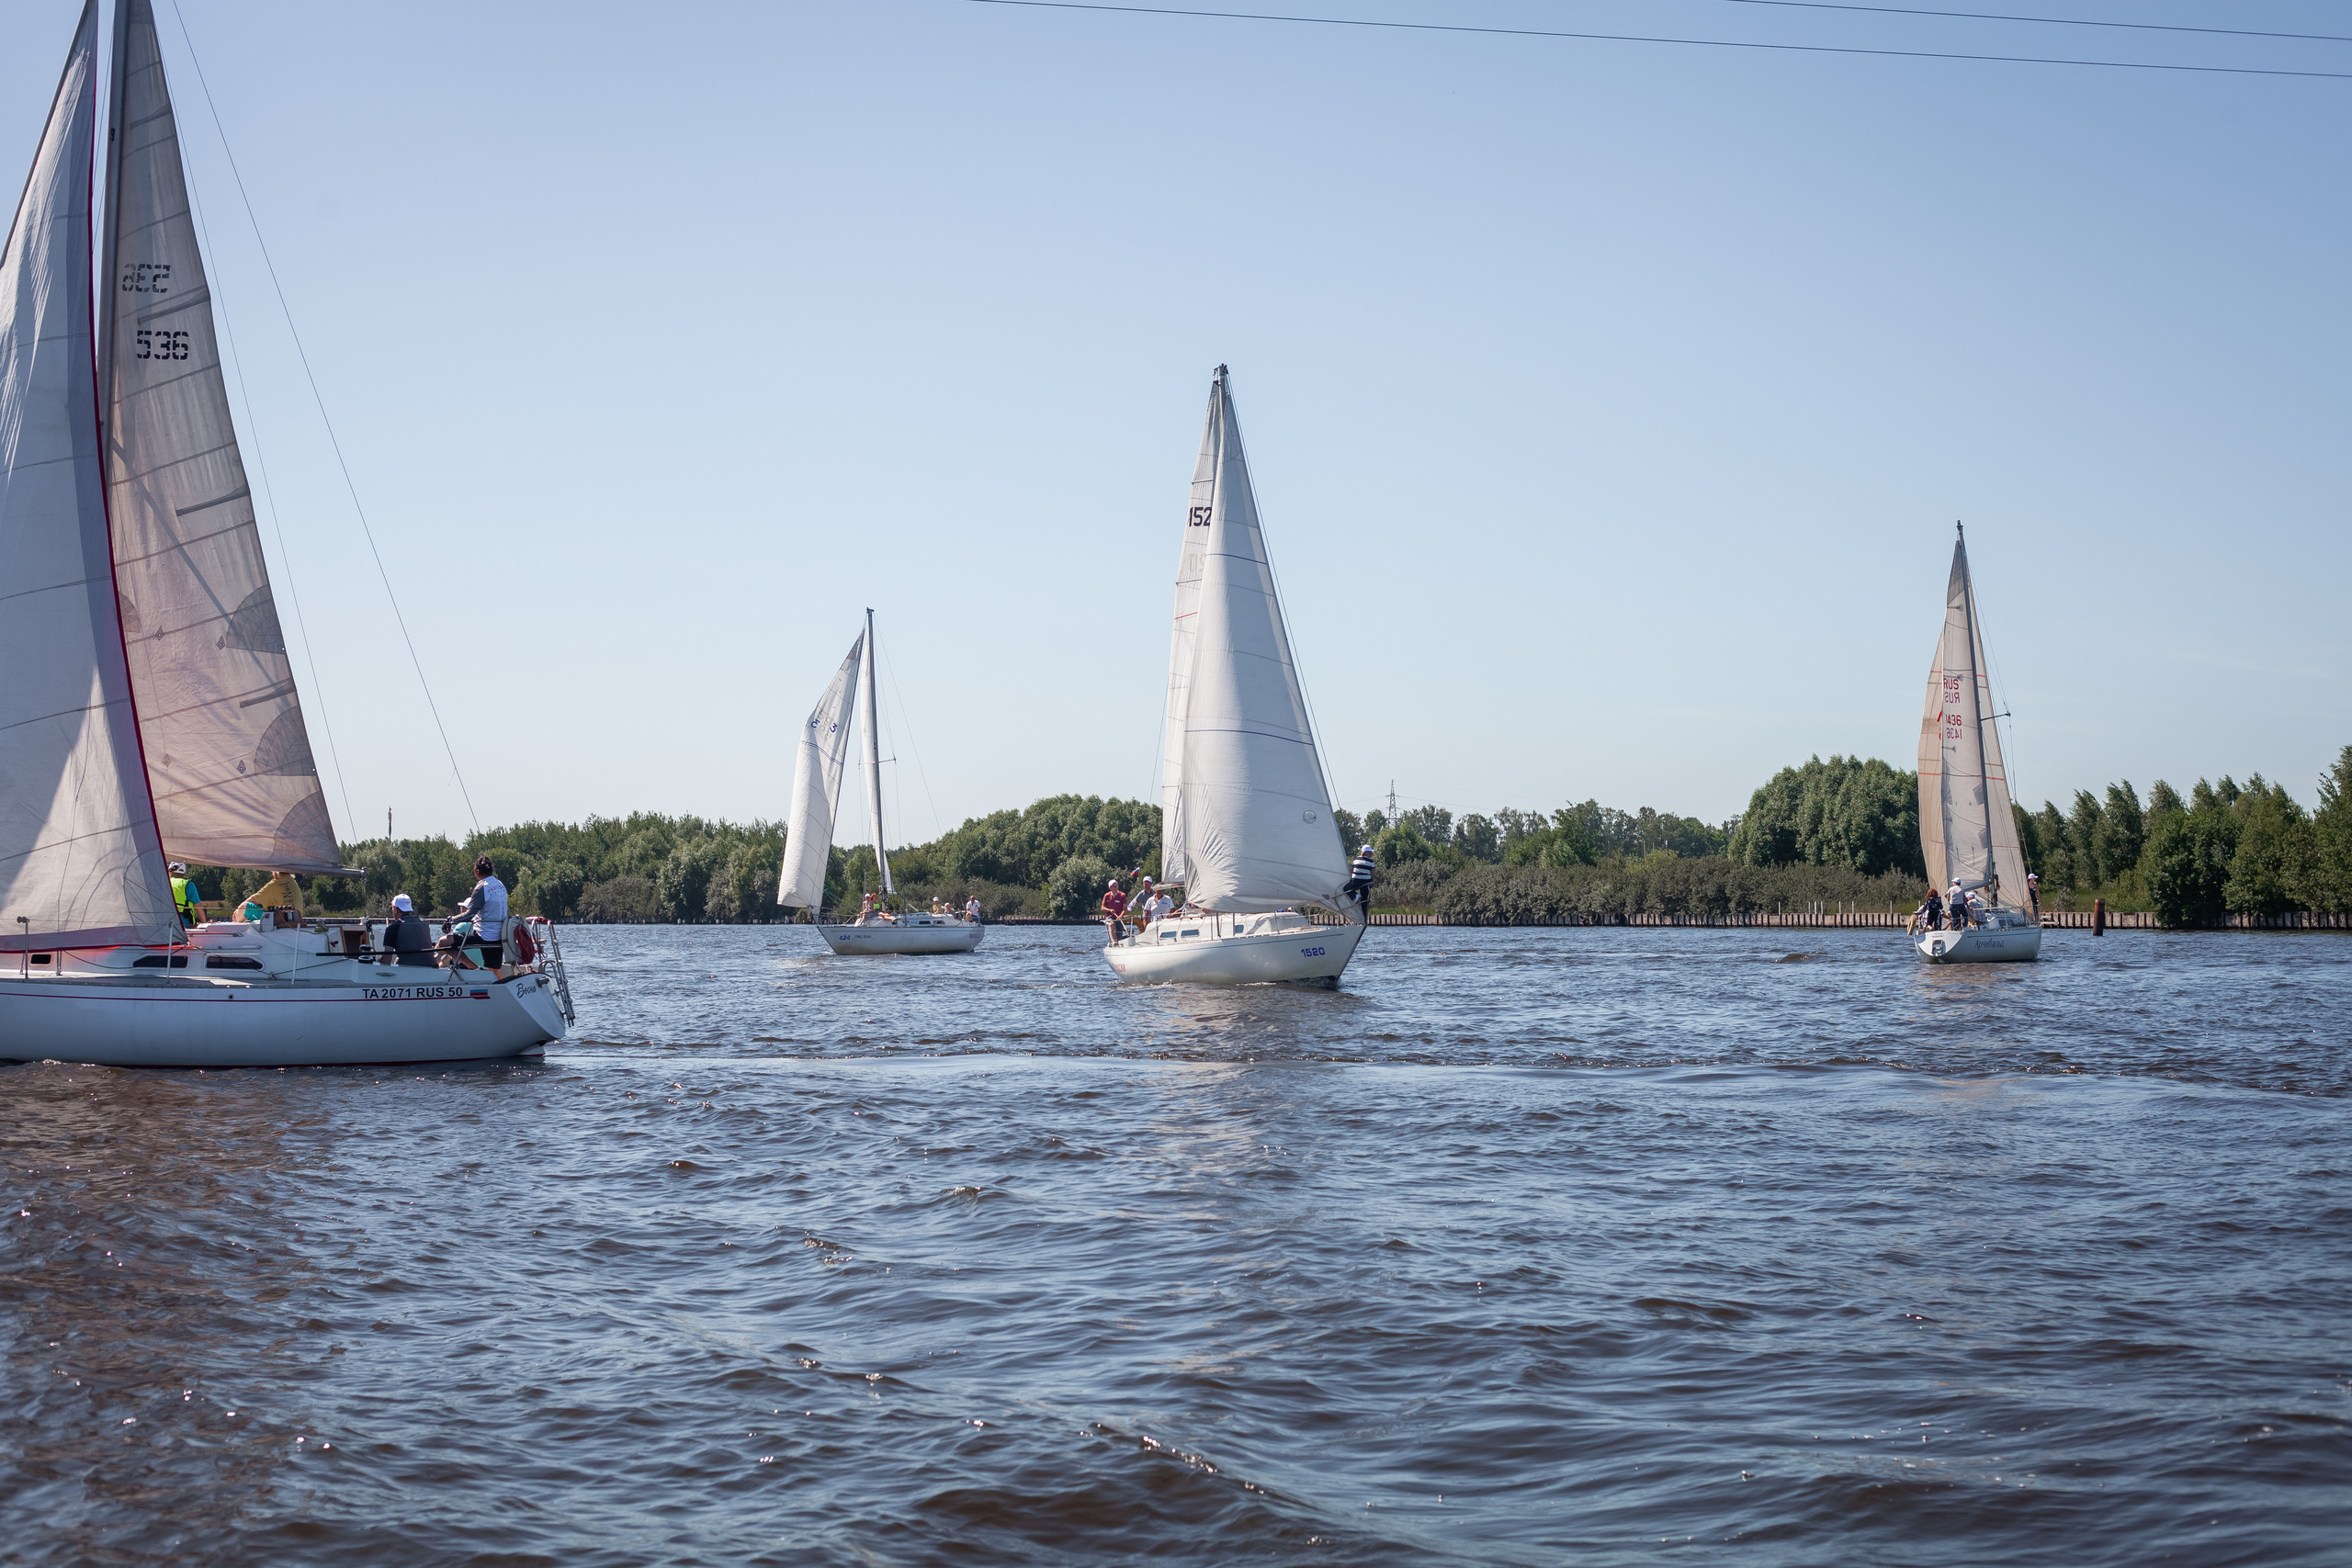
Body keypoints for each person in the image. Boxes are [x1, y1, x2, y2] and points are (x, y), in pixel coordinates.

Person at [453, 855, 508, 969]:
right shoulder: (500, 884)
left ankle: (474, 969)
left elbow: (470, 914)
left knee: (443, 943)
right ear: (491, 870)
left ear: (476, 872)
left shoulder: (481, 887)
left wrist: (450, 920)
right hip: (499, 935)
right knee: (495, 973)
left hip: (484, 935)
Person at [377, 894, 435, 966]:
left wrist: (377, 961)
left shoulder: (393, 928)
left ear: (396, 909)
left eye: (391, 908)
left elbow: (386, 960)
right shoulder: (424, 923)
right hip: (430, 967)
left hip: (408, 970)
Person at [1341, 842, 1375, 914]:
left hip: (1356, 881)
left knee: (1346, 889)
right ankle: (1364, 918)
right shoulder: (1371, 861)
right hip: (1366, 882)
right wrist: (1372, 882)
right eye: (1370, 852)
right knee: (1364, 900)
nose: (1371, 854)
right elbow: (1373, 873)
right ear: (1365, 852)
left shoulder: (1356, 859)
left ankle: (1355, 896)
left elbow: (1351, 871)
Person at [168, 863, 201, 928]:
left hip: (163, 926)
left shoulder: (163, 883)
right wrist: (204, 923)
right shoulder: (188, 884)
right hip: (185, 926)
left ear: (170, 872)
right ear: (183, 874)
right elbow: (198, 906)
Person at [1101, 876, 1128, 944]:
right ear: (1110, 888)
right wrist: (1109, 910)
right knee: (1111, 924)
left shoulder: (1122, 895)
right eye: (1113, 887)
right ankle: (1113, 942)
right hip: (1110, 916)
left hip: (1119, 917)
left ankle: (1119, 942)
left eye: (1116, 886)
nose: (1115, 888)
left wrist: (1121, 916)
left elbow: (1125, 908)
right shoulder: (1107, 895)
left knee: (1119, 936)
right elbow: (1102, 907)